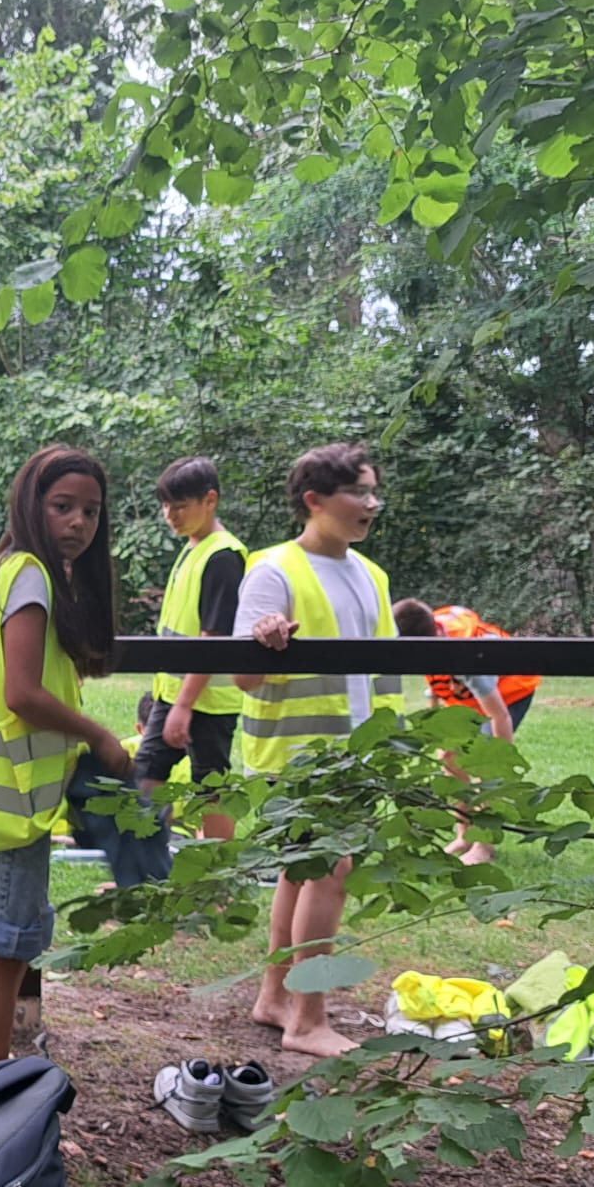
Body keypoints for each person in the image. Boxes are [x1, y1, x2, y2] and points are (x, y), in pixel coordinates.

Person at [0, 446, 128, 1068]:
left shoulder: (10, 570)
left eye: (91, 511)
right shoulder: (31, 573)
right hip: (10, 800)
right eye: (62, 506)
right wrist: (97, 733)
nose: (78, 522)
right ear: (31, 505)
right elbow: (22, 693)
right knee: (7, 948)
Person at [234, 443, 402, 1057]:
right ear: (314, 500)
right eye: (359, 492)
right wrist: (265, 640)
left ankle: (274, 999)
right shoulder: (273, 570)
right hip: (295, 758)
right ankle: (307, 1019)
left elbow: (385, 675)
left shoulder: (373, 575)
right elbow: (244, 678)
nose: (371, 504)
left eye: (373, 491)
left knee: (300, 873)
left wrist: (389, 750)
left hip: (354, 759)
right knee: (330, 874)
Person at [135, 456, 246, 841]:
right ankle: (144, 871)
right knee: (144, 778)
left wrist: (183, 706)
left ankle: (219, 886)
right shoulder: (192, 547)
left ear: (210, 500)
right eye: (165, 505)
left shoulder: (223, 557)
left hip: (206, 703)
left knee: (210, 790)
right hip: (174, 695)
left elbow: (213, 639)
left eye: (180, 505)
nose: (170, 515)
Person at [391, 597, 533, 865]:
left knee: (483, 766)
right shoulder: (428, 639)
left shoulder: (468, 658)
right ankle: (464, 835)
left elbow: (499, 715)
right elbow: (437, 686)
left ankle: (484, 846)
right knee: (450, 758)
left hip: (510, 691)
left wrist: (500, 761)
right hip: (469, 698)